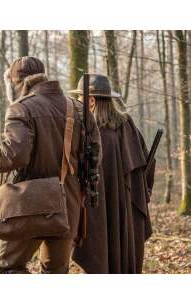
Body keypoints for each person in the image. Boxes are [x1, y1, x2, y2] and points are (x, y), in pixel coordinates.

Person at [0, 57, 102, 274]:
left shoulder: (20, 109)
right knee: (56, 271)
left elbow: (14, 155)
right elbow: (95, 157)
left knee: (10, 268)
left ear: (17, 82)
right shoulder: (79, 109)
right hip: (68, 204)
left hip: (28, 204)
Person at [72, 74, 156, 274]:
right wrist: (141, 191)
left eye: (81, 99)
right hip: (125, 207)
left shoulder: (86, 132)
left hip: (95, 208)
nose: (79, 103)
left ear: (91, 101)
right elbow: (147, 164)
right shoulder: (127, 126)